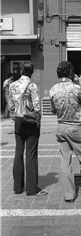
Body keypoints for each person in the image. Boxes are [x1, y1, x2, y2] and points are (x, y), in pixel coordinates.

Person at [49, 61, 81, 202]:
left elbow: (53, 109)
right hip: (76, 126)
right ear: (71, 72)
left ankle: (69, 194)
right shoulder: (76, 88)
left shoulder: (53, 89)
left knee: (65, 162)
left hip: (61, 126)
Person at [8, 62, 47, 196]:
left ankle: (17, 187)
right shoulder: (32, 85)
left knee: (18, 153)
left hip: (18, 121)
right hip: (30, 121)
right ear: (32, 71)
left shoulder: (12, 85)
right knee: (31, 154)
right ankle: (31, 188)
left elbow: (11, 106)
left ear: (21, 71)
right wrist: (38, 120)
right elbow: (36, 106)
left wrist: (15, 117)